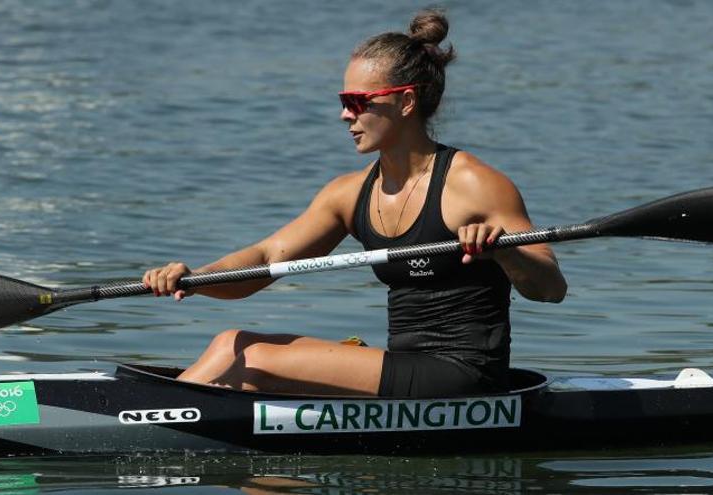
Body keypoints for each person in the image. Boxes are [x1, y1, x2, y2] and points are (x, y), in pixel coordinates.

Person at [142, 9, 567, 398]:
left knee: (255, 358)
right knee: (228, 343)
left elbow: (550, 288)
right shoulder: (349, 193)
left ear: (406, 101)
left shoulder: (473, 183)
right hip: (404, 368)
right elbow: (266, 258)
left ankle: (152, 422)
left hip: (464, 375)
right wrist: (196, 277)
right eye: (343, 102)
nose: (346, 116)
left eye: (358, 102)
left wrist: (506, 250)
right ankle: (168, 417)